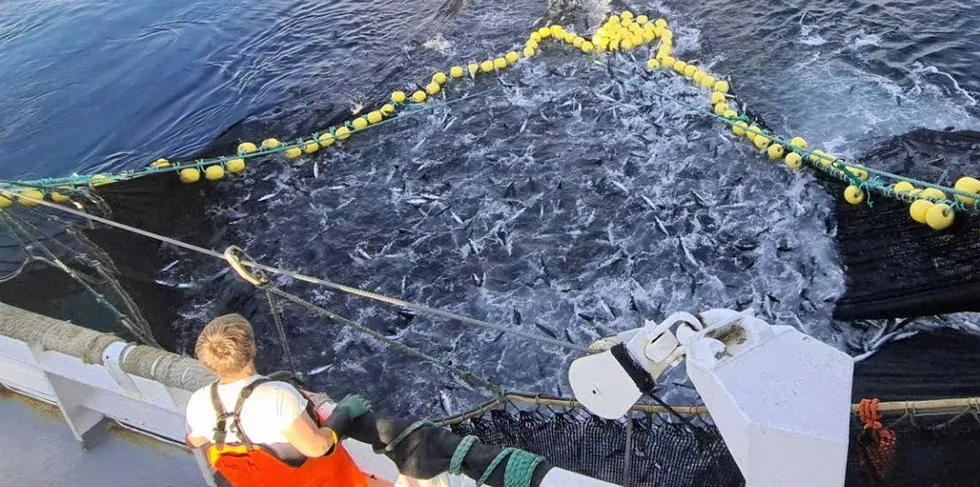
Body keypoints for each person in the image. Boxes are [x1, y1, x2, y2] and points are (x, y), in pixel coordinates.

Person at [184, 313, 372, 487]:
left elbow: (194, 441)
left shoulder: (199, 401)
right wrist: (344, 412)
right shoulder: (277, 395)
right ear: (252, 348)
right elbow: (317, 447)